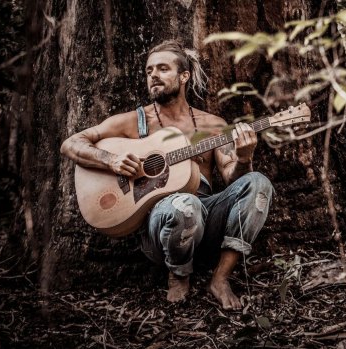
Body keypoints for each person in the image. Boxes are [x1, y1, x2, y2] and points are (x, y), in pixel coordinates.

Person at [60, 40, 273, 309]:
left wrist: (244, 157)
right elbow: (71, 144)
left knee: (258, 183)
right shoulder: (132, 122)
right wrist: (111, 160)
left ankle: (220, 278)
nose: (154, 76)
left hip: (208, 220)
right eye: (149, 71)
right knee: (185, 204)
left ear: (184, 76)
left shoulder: (213, 126)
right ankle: (178, 274)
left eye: (162, 69)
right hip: (160, 229)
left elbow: (234, 179)